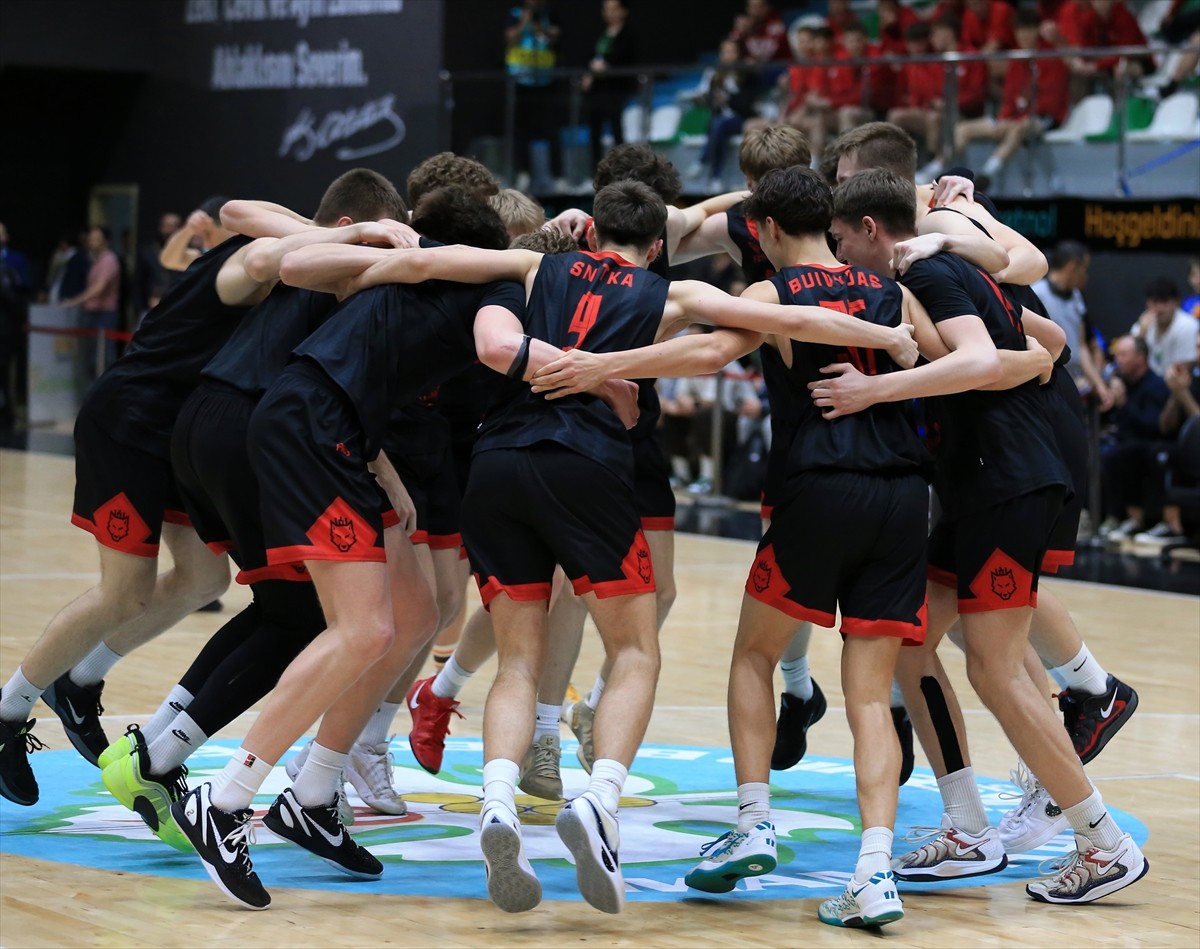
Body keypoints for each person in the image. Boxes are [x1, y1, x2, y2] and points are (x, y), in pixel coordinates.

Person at [330, 180, 919, 914]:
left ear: (589, 232)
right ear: (657, 247)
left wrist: (349, 263)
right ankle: (601, 799)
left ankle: (497, 801)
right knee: (637, 647)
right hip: (596, 470)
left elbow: (427, 264)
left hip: (499, 464)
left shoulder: (534, 268)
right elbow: (766, 329)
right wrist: (888, 340)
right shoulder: (673, 293)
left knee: (518, 660)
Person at [818, 168, 1148, 906]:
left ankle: (1104, 843)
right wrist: (985, 361)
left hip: (1007, 481)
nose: (837, 255)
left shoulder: (930, 269)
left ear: (870, 229)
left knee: (996, 671)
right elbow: (1051, 340)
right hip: (978, 485)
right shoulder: (946, 269)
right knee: (911, 641)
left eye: (840, 240)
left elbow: (975, 360)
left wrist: (877, 386)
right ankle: (969, 828)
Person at [97, 171, 414, 849]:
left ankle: (155, 745)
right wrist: (368, 236)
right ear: (354, 226)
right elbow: (239, 210)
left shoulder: (309, 250)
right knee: (303, 619)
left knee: (283, 609)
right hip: (249, 427)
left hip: (204, 422)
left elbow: (242, 210)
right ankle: (156, 760)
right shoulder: (337, 260)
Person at [942, 9, 1070, 187]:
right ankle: (944, 172)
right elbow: (1010, 96)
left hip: (1043, 118)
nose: (1023, 35)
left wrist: (1016, 119)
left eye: (1028, 30)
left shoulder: (1050, 58)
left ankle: (987, 174)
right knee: (962, 129)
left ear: (1037, 31)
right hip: (1012, 118)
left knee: (1018, 128)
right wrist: (1004, 118)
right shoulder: (1016, 58)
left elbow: (1050, 103)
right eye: (1020, 30)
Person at [1100, 335, 1174, 541]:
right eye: (1117, 355)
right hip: (1123, 440)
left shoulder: (1155, 385)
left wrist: (1124, 404)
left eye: (1124, 355)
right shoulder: (1121, 382)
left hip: (1150, 442)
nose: (1118, 360)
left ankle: (1130, 517)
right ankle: (1099, 516)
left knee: (1121, 454)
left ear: (1140, 358)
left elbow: (1153, 426)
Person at [1033, 240, 1112, 410]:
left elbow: (1081, 345)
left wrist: (1098, 384)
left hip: (1077, 380)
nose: (1085, 275)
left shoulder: (1076, 296)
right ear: (1072, 266)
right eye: (1084, 268)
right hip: (1050, 380)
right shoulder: (1038, 293)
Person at [505, 0, 563, 189]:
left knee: (551, 129)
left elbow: (556, 36)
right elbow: (510, 37)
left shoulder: (549, 14)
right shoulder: (515, 13)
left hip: (545, 81)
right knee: (521, 131)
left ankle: (557, 176)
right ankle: (523, 173)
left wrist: (542, 29)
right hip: (521, 82)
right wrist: (525, 22)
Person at [689, 38, 757, 192]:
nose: (728, 56)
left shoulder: (746, 74)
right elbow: (704, 94)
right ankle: (715, 178)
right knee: (718, 126)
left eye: (732, 52)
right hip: (719, 120)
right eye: (725, 52)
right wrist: (710, 100)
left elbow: (747, 103)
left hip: (741, 119)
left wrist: (729, 100)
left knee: (719, 125)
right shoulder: (714, 73)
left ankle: (705, 163)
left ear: (739, 54)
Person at [582, 0, 638, 172]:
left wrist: (606, 68)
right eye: (606, 9)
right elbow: (592, 57)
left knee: (617, 132)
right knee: (594, 132)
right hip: (597, 92)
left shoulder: (628, 35)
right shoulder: (600, 35)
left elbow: (624, 60)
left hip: (616, 91)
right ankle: (596, 174)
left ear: (623, 11)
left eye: (613, 9)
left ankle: (623, 172)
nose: (609, 13)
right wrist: (590, 73)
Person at [63, 225, 122, 384]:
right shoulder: (94, 260)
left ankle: (104, 391)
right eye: (90, 238)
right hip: (91, 312)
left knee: (103, 358)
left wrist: (75, 301)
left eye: (96, 238)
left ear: (105, 240)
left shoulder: (109, 260)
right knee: (88, 358)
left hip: (104, 314)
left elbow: (99, 288)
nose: (92, 241)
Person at [1131, 277, 1200, 379]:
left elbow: (1184, 369)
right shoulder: (1143, 324)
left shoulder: (1188, 325)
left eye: (1164, 301)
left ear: (1176, 302)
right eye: (1154, 302)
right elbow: (1130, 360)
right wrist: (1142, 333)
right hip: (1147, 381)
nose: (1160, 308)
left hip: (1177, 381)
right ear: (1147, 303)